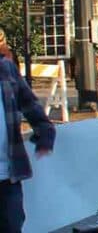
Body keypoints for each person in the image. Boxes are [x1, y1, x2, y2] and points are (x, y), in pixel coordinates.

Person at [0, 55, 55, 232]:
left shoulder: (6, 68)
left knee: (13, 224)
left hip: (7, 174)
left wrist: (45, 131)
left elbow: (29, 102)